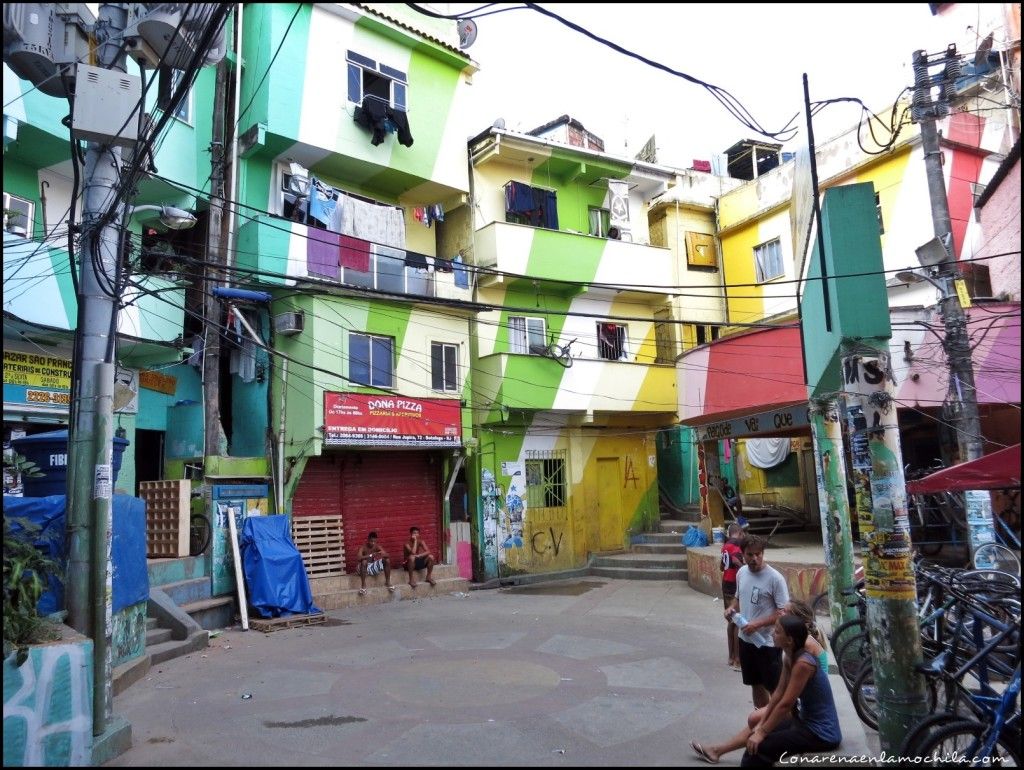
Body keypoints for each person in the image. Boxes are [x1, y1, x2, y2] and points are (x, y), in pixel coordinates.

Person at [689, 615, 842, 766]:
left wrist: (761, 733)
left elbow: (786, 704)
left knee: (758, 748)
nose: (772, 634)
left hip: (821, 734)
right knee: (754, 736)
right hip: (804, 723)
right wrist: (761, 726)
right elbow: (777, 695)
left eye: (777, 632)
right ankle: (717, 751)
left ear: (789, 640)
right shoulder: (789, 657)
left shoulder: (803, 663)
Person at [726, 534, 789, 708]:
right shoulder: (741, 573)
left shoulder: (775, 578)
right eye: (750, 555)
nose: (755, 558)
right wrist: (731, 609)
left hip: (768, 643)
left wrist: (757, 624)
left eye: (758, 554)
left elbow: (783, 612)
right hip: (746, 641)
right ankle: (760, 718)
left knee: (774, 687)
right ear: (743, 554)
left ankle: (781, 724)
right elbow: (738, 599)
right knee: (755, 683)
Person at [720, 522, 745, 670]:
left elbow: (721, 566)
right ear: (740, 533)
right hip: (735, 585)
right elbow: (738, 564)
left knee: (731, 620)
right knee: (737, 621)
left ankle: (730, 657)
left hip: (726, 584)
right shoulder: (737, 547)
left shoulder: (725, 546)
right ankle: (737, 659)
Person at [782, 599, 829, 671]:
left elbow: (799, 673)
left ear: (796, 618)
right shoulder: (797, 637)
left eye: (785, 611)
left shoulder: (806, 642)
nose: (781, 613)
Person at [356, 531, 395, 596]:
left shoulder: (376, 547)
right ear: (368, 540)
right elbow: (358, 558)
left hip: (372, 567)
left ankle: (388, 582)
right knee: (364, 561)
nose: (373, 543)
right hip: (363, 568)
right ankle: (363, 585)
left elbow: (387, 555)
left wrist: (381, 554)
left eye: (375, 541)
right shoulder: (363, 547)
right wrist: (370, 555)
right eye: (371, 541)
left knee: (387, 560)